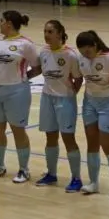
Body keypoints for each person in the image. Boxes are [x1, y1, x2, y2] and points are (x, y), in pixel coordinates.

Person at [0, 10, 40, 182]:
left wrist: (24, 78)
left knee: (18, 130)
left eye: (1, 21)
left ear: (9, 23)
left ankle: (24, 169)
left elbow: (37, 67)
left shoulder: (26, 45)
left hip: (17, 92)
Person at [76, 31, 109, 201]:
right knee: (92, 142)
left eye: (88, 52)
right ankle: (93, 182)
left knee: (107, 145)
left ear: (95, 46)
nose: (86, 56)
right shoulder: (82, 59)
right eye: (83, 53)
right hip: (90, 102)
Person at [36, 19, 83, 191]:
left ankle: (77, 178)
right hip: (47, 98)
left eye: (50, 32)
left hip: (65, 100)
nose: (46, 35)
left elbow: (78, 78)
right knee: (50, 137)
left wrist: (71, 95)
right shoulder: (44, 52)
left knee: (68, 138)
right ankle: (51, 174)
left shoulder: (70, 55)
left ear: (59, 33)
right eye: (45, 31)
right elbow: (40, 70)